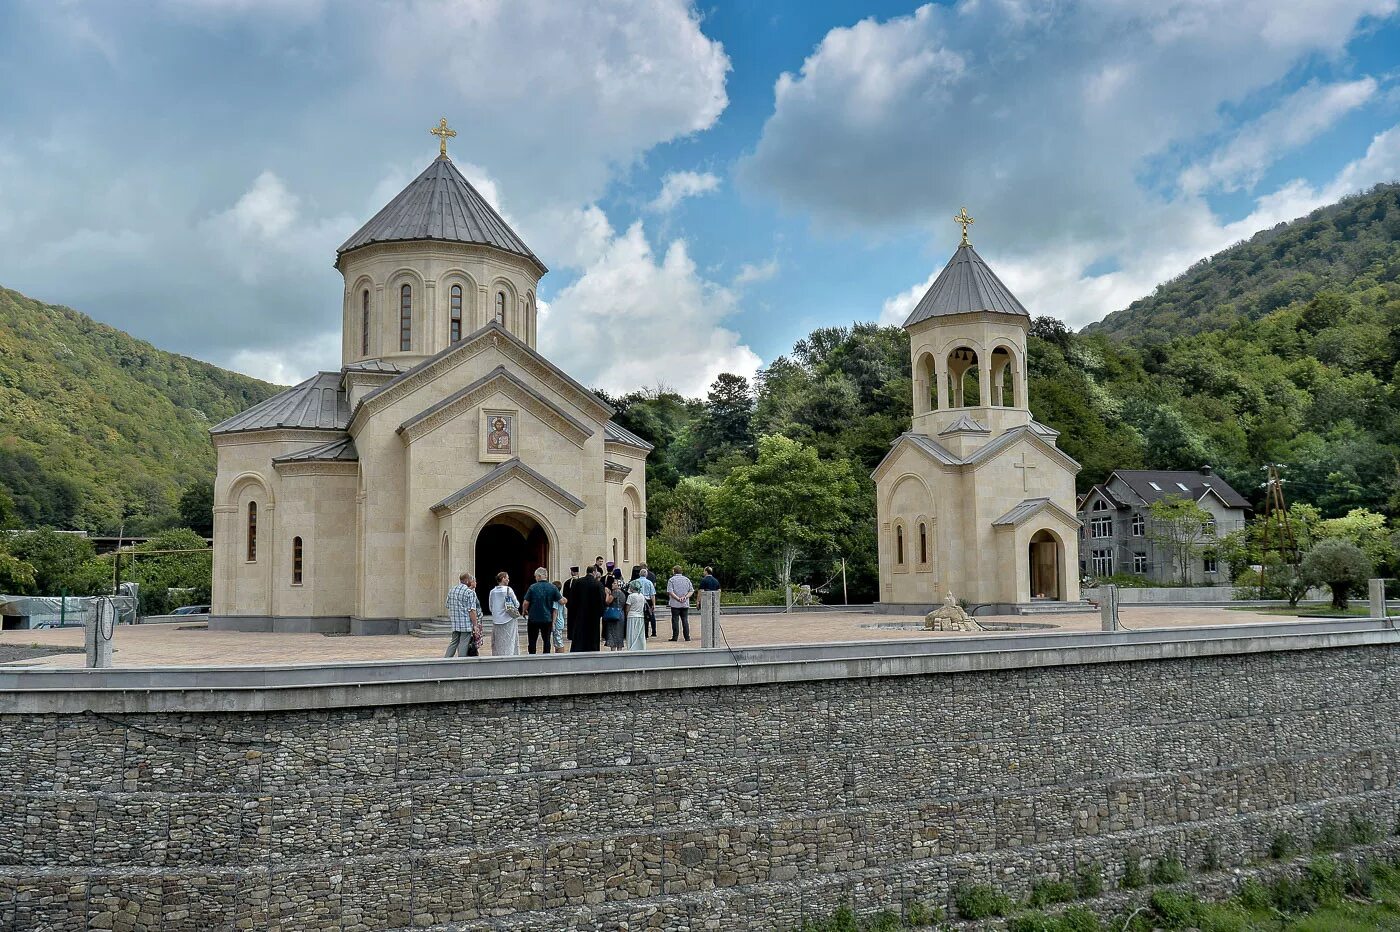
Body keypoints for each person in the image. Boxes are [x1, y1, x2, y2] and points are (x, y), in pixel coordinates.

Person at [521, 567, 565, 654]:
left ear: (539, 576)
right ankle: (546, 657)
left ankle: (532, 656)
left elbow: (526, 602)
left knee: (532, 641)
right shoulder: (552, 587)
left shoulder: (532, 587)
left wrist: (524, 611)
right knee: (546, 641)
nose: (535, 578)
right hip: (547, 618)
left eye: (536, 576)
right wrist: (566, 600)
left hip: (533, 618)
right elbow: (561, 601)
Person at [444, 571, 482, 658]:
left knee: (453, 642)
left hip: (455, 622)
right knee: (464, 644)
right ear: (467, 580)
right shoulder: (470, 592)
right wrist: (475, 625)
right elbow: (472, 610)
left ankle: (446, 660)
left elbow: (447, 605)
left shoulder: (452, 590)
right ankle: (462, 663)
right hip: (465, 624)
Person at [568, 566, 606, 652]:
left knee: (579, 634)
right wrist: (600, 613)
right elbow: (601, 600)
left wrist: (574, 612)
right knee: (593, 636)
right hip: (593, 616)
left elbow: (572, 599)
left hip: (580, 614)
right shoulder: (598, 584)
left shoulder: (578, 583)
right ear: (594, 572)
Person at [487, 571, 521, 656]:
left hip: (496, 620)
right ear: (502, 578)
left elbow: (491, 607)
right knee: (510, 640)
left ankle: (498, 656)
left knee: (498, 641)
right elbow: (516, 603)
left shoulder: (492, 591)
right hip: (508, 618)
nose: (508, 580)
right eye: (507, 578)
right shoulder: (509, 590)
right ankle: (510, 655)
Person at [665, 565, 694, 642]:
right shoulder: (687, 579)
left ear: (674, 571)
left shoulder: (671, 580)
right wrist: (685, 597)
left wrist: (677, 598)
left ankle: (675, 637)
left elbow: (670, 591)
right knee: (685, 620)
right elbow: (691, 590)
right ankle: (687, 637)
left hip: (675, 604)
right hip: (685, 603)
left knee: (675, 620)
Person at [624, 578, 648, 651]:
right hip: (640, 616)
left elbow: (627, 608)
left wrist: (626, 614)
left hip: (632, 616)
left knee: (631, 633)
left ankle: (631, 646)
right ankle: (641, 646)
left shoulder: (631, 596)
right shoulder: (642, 596)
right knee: (640, 633)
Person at [633, 565, 657, 636]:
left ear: (639, 574)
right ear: (646, 574)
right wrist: (654, 604)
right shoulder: (649, 583)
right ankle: (647, 633)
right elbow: (652, 594)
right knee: (648, 616)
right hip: (647, 601)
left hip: (637, 600)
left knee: (638, 616)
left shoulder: (635, 582)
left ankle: (639, 632)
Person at [602, 577, 625, 650]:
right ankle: (619, 649)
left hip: (614, 614)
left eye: (615, 583)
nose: (612, 584)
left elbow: (608, 601)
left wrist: (607, 593)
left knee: (613, 633)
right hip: (620, 614)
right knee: (619, 633)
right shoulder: (622, 593)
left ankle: (613, 650)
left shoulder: (616, 592)